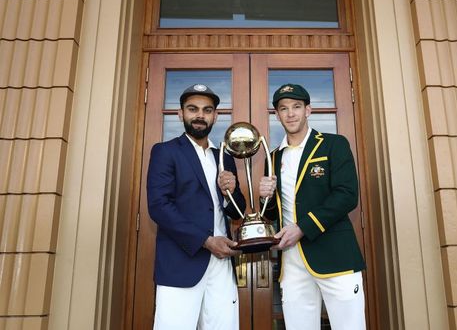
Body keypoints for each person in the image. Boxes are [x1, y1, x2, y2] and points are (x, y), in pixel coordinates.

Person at [259, 84, 366, 330]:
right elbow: (273, 213)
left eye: (296, 107)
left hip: (335, 255)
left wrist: (302, 227)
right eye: (284, 109)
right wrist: (265, 197)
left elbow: (347, 195)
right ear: (277, 115)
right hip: (293, 261)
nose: (291, 114)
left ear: (308, 110)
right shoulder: (272, 158)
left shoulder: (334, 144)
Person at [147, 84, 246, 330]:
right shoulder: (165, 151)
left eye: (207, 110)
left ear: (215, 116)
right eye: (193, 109)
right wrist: (206, 240)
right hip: (181, 262)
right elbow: (159, 206)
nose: (200, 115)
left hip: (222, 264)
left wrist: (231, 191)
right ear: (181, 114)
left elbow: (238, 211)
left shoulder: (224, 156)